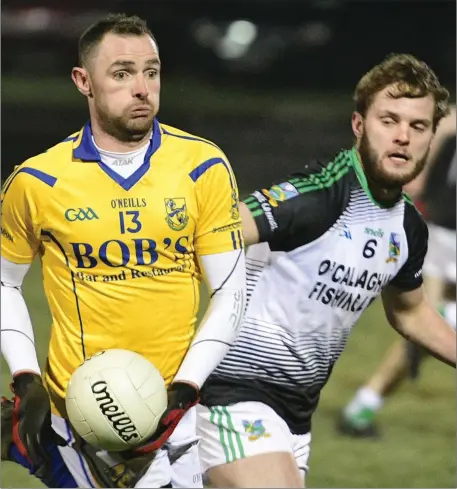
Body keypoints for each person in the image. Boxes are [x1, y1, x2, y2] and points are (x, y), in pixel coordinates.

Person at [0, 13, 246, 489]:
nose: (142, 88)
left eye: (151, 72)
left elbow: (231, 289)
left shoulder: (202, 166)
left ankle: (23, 445)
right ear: (83, 81)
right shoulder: (37, 180)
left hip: (177, 411)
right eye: (122, 73)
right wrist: (27, 377)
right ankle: (39, 439)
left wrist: (186, 386)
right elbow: (5, 280)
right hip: (80, 409)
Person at [194, 53, 456, 488]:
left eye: (417, 126)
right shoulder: (320, 198)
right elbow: (212, 231)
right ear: (359, 125)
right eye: (388, 120)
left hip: (296, 413)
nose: (402, 137)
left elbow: (409, 312)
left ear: (433, 137)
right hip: (231, 392)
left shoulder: (407, 226)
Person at [338, 106, 456, 438]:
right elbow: (444, 126)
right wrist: (417, 179)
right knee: (424, 322)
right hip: (447, 230)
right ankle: (365, 402)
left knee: (425, 325)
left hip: (444, 225)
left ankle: (365, 402)